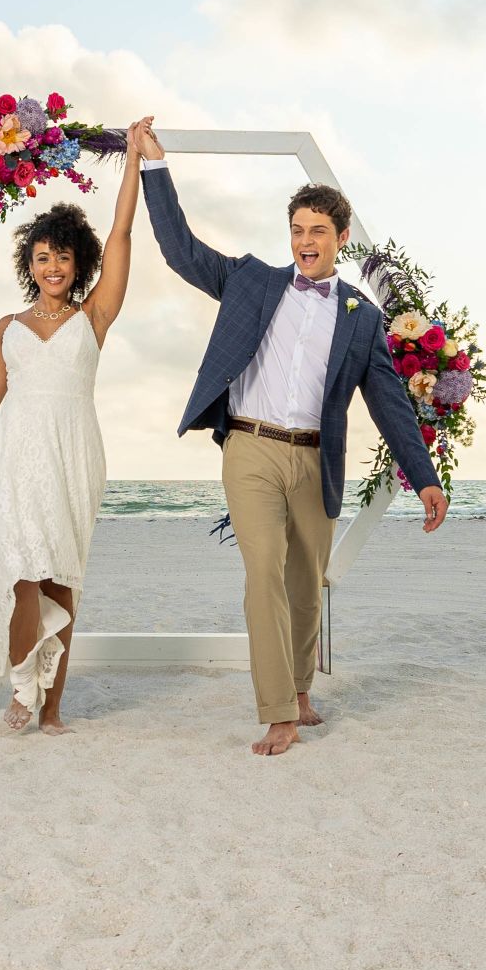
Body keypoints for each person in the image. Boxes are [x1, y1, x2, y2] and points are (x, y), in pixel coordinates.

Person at [142, 150, 448, 756]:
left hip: (314, 458)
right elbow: (181, 251)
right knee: (263, 576)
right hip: (250, 449)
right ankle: (278, 710)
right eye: (297, 230)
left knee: (307, 585)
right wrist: (155, 169)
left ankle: (302, 691)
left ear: (340, 238)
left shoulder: (363, 317)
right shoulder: (252, 279)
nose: (306, 241)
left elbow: (390, 402)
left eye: (318, 231)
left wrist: (425, 477)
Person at [0, 117, 159, 734]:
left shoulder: (94, 319)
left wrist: (133, 161)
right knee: (20, 576)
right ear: (28, 264)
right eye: (41, 256)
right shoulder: (8, 329)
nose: (53, 265)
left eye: (62, 255)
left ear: (76, 261)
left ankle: (52, 706)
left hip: (74, 456)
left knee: (62, 581)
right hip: (16, 461)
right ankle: (22, 687)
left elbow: (121, 233)